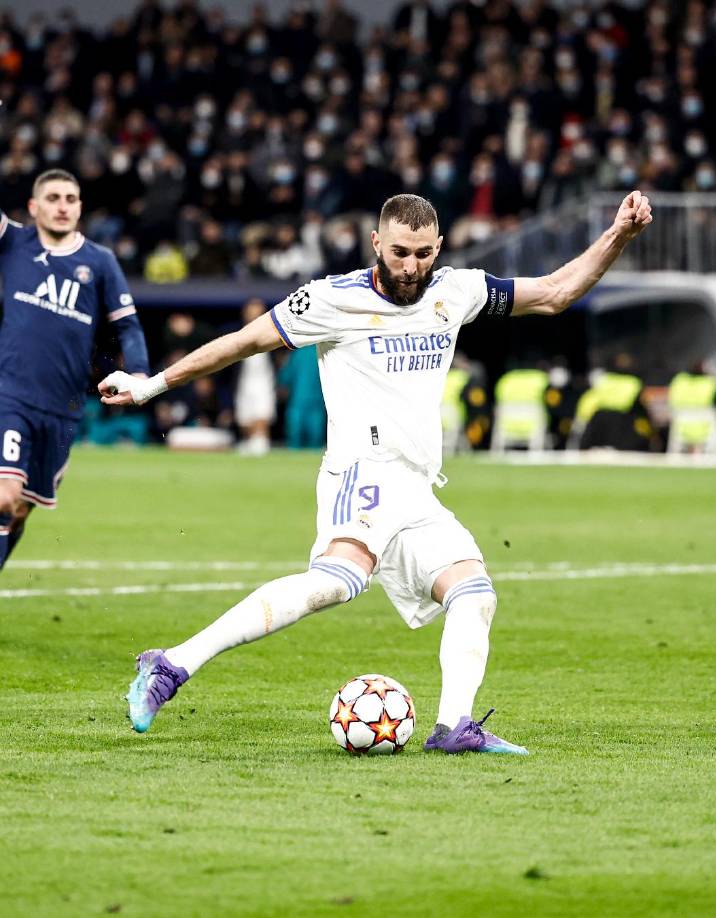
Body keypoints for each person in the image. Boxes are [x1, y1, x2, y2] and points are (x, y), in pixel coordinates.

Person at [100, 191, 652, 755]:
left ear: (439, 247)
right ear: (375, 245)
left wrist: (619, 235)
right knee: (334, 584)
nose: (410, 266)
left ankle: (454, 728)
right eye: (398, 252)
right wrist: (151, 385)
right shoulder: (329, 299)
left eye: (422, 252)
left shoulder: (454, 291)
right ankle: (169, 666)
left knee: (474, 595)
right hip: (359, 471)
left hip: (416, 485)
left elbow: (556, 293)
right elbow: (243, 342)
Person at [0, 168, 150, 570]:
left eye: (70, 198)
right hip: (9, 395)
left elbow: (127, 324)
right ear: (33, 207)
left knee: (19, 511)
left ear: (80, 206)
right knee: (4, 495)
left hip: (63, 408)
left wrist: (138, 375)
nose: (62, 206)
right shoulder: (14, 241)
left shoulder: (99, 262)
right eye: (52, 198)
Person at [234, 298, 276, 455]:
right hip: (244, 381)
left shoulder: (273, 331)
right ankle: (249, 442)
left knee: (262, 411)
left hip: (264, 380)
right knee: (245, 416)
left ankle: (261, 442)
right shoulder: (237, 334)